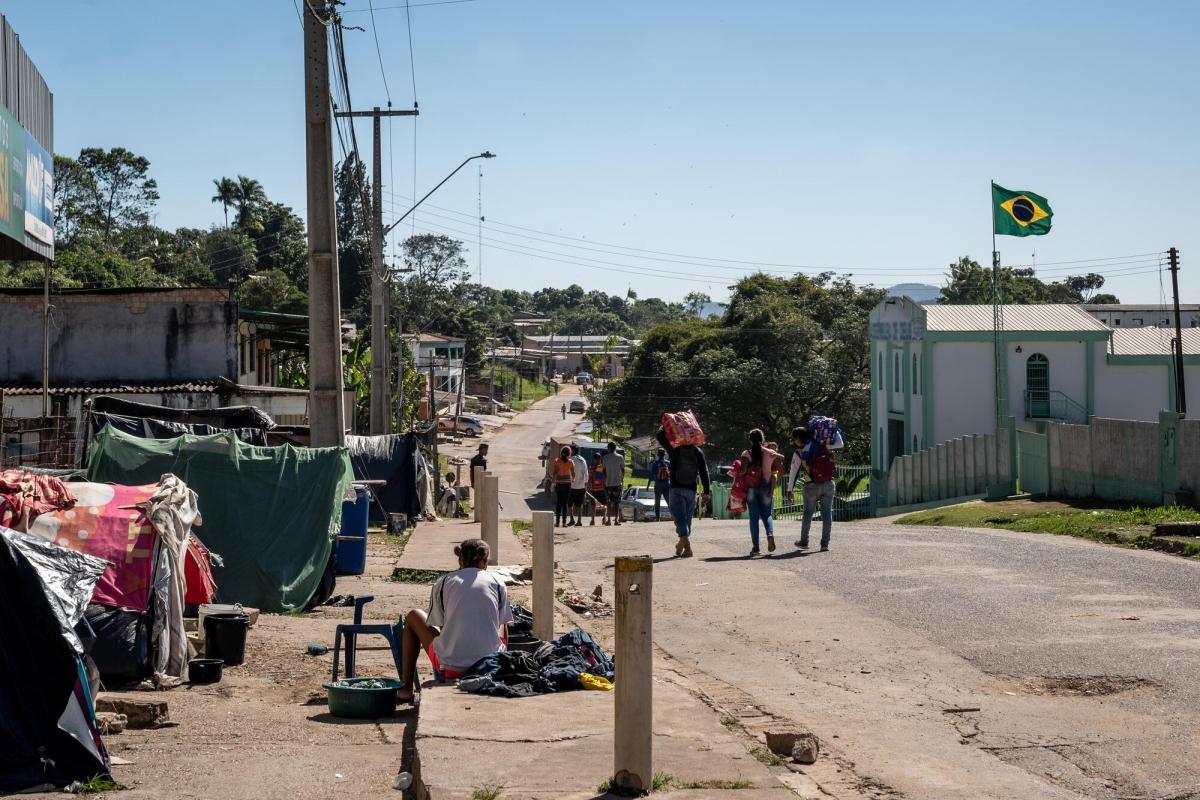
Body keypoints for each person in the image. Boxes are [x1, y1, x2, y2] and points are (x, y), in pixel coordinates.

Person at [398, 539, 513, 702]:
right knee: (503, 621)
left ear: (460, 560)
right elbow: (502, 623)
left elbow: (441, 625)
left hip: (449, 670)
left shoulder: (444, 582)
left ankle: (406, 690)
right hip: (489, 667)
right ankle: (501, 665)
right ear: (484, 561)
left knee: (413, 616)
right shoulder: (498, 582)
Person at [654, 427, 711, 557]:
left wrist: (669, 425)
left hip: (676, 489)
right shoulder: (698, 452)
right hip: (691, 490)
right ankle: (681, 544)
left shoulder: (675, 449)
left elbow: (660, 436)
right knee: (687, 521)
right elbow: (704, 472)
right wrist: (706, 492)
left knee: (679, 519)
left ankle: (688, 548)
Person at [786, 426, 836, 551]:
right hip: (828, 483)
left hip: (811, 486)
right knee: (827, 513)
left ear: (798, 439)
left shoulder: (799, 452)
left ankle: (804, 541)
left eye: (794, 439)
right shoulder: (822, 444)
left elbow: (793, 472)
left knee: (808, 513)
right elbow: (839, 444)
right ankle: (825, 544)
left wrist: (789, 489)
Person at [734, 429, 784, 555]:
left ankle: (756, 548)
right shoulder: (770, 453)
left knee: (754, 518)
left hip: (751, 489)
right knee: (767, 515)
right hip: (766, 487)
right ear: (763, 439)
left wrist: (736, 474)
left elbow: (743, 471)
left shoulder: (747, 453)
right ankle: (770, 534)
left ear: (750, 440)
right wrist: (773, 477)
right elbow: (781, 470)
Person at [601, 441, 626, 526]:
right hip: (617, 483)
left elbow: (604, 471)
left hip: (608, 483)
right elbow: (623, 470)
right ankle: (616, 520)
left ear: (609, 448)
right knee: (616, 502)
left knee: (608, 502)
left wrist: (604, 481)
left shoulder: (605, 457)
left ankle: (608, 520)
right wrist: (622, 480)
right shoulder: (620, 457)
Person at [645, 448, 671, 521]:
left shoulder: (655, 463)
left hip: (658, 485)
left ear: (658, 455)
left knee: (657, 501)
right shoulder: (668, 463)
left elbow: (651, 475)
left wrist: (648, 485)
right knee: (669, 501)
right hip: (667, 484)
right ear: (664, 455)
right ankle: (674, 515)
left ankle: (657, 518)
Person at [552, 446, 574, 526]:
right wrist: (573, 479)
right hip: (567, 484)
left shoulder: (557, 461)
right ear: (569, 453)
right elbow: (573, 473)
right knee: (565, 504)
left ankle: (557, 522)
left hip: (559, 483)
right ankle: (564, 522)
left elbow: (554, 473)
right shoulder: (570, 462)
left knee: (558, 503)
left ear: (561, 453)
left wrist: (553, 482)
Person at [568, 444, 589, 526]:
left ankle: (572, 519)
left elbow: (568, 473)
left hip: (572, 486)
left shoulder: (570, 460)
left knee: (569, 504)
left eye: (570, 450)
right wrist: (585, 486)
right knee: (579, 505)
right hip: (581, 486)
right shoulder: (583, 459)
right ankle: (579, 521)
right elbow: (586, 473)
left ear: (573, 451)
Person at [588, 453, 608, 526]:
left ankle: (593, 520)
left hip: (595, 489)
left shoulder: (592, 467)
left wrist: (588, 487)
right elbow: (603, 478)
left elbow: (590, 479)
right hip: (600, 489)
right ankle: (604, 518)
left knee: (594, 505)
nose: (597, 461)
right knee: (605, 504)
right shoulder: (601, 467)